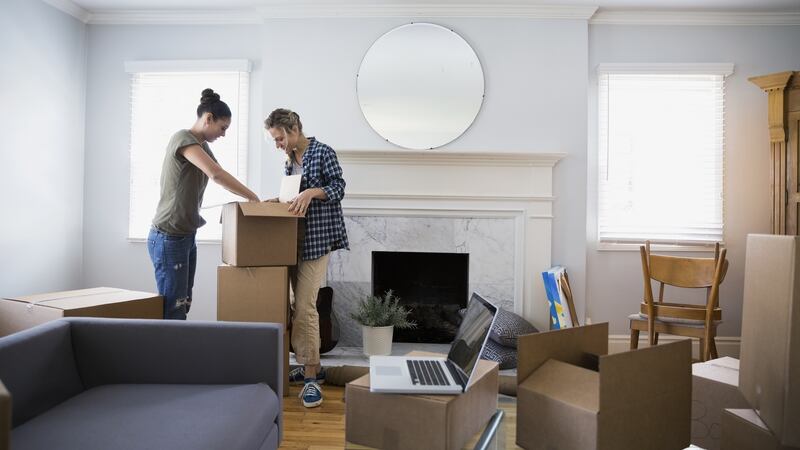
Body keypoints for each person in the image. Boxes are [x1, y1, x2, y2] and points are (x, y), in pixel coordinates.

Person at [148, 88, 259, 320]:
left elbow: (221, 176)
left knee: (184, 303)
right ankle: (168, 356)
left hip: (186, 235)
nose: (224, 134)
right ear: (208, 118)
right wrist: (252, 197)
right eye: (223, 127)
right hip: (169, 235)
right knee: (173, 308)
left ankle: (178, 353)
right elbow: (216, 174)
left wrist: (250, 197)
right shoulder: (183, 139)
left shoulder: (201, 146)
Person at [265, 108, 349, 408]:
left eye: (279, 138)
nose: (278, 145)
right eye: (274, 140)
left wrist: (312, 192)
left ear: (294, 129)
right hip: (293, 241)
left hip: (317, 240)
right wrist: (279, 200)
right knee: (292, 306)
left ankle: (312, 377)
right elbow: (294, 196)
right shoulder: (290, 161)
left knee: (306, 307)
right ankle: (306, 367)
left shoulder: (323, 152)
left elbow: (338, 188)